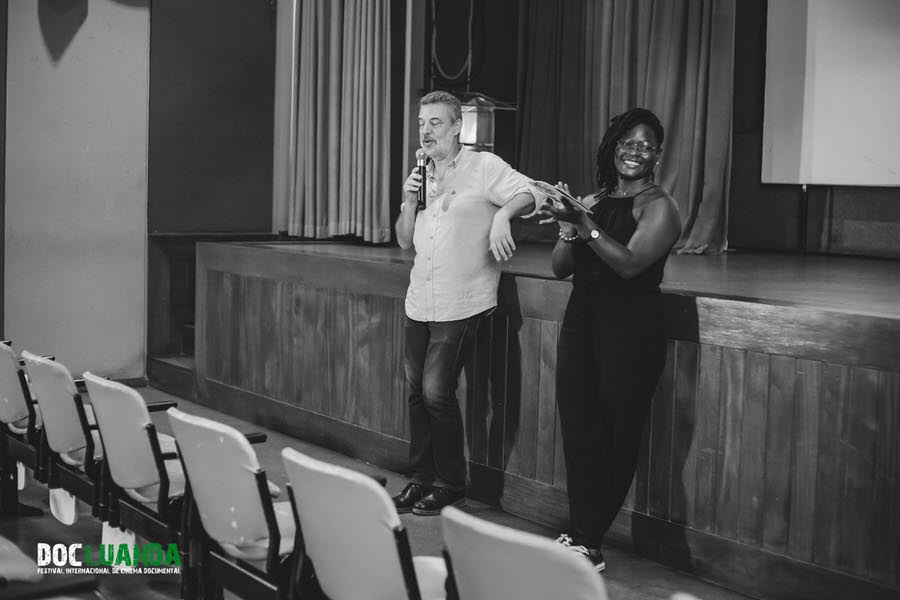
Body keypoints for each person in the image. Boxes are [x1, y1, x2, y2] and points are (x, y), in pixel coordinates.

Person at [538, 108, 681, 571]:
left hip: (631, 332)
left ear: (657, 154)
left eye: (645, 145)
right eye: (627, 142)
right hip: (582, 324)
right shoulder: (592, 201)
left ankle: (589, 541)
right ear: (613, 146)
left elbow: (630, 265)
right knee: (581, 432)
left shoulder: (660, 206)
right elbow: (560, 268)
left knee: (617, 436)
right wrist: (568, 226)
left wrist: (585, 224)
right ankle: (581, 532)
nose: (634, 151)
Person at [392, 91, 540, 516]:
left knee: (436, 391)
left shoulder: (483, 166)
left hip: (461, 301)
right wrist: (409, 202)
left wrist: (502, 215)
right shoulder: (421, 173)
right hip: (420, 299)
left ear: (458, 126)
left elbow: (532, 192)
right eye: (422, 124)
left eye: (435, 123)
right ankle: (420, 479)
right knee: (416, 393)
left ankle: (451, 484)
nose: (425, 132)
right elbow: (404, 240)